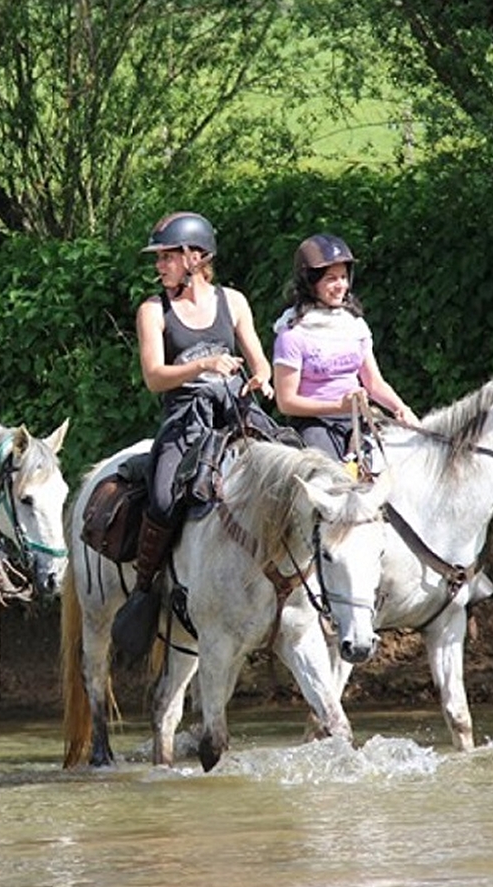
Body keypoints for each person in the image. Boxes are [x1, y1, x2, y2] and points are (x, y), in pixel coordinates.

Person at [111, 211, 280, 659]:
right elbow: (154, 376)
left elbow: (258, 359)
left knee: (290, 468)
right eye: (160, 258)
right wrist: (203, 365)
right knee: (164, 497)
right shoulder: (152, 310)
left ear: (196, 258)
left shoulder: (234, 301)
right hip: (185, 417)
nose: (159, 265)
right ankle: (147, 588)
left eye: (167, 256)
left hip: (235, 411)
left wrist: (260, 378)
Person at [271, 234, 418, 468]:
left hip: (359, 418)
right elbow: (286, 402)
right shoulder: (292, 335)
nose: (341, 285)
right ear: (310, 282)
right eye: (331, 279)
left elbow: (374, 383)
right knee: (330, 481)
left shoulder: (354, 326)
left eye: (343, 277)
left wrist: (402, 409)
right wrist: (338, 407)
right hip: (315, 425)